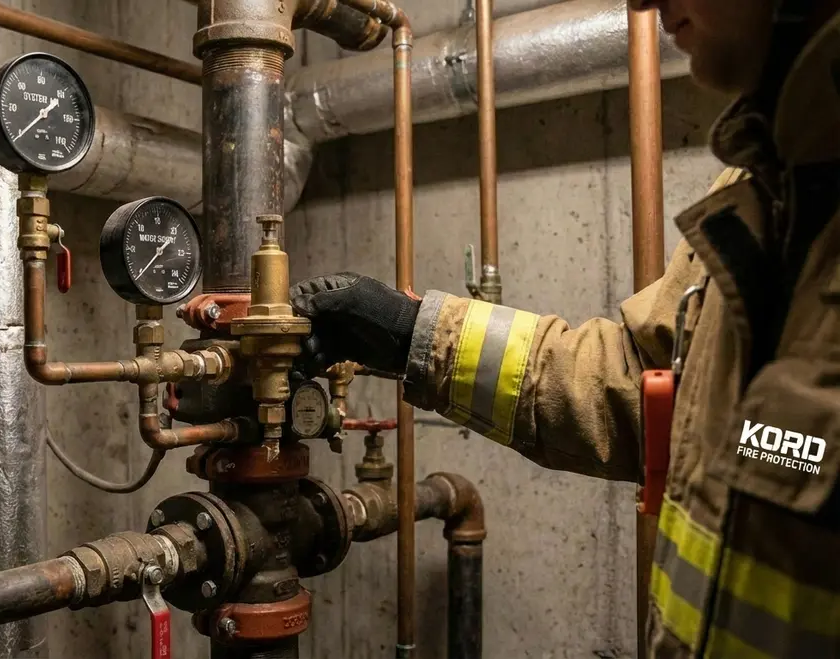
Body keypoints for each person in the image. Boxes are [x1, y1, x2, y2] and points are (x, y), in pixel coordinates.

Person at [289, 0, 840, 656]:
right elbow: (645, 383)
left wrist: (767, 444)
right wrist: (411, 333)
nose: (641, 3)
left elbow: (775, 448)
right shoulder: (767, 191)